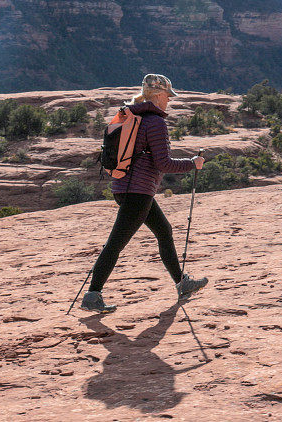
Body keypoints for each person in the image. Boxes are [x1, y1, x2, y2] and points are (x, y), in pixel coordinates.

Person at [80, 74, 209, 313]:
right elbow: (164, 164)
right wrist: (193, 163)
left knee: (164, 230)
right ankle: (92, 295)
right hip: (137, 193)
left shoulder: (133, 116)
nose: (168, 101)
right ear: (159, 95)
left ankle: (182, 283)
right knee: (116, 243)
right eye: (167, 97)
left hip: (125, 188)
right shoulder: (155, 122)